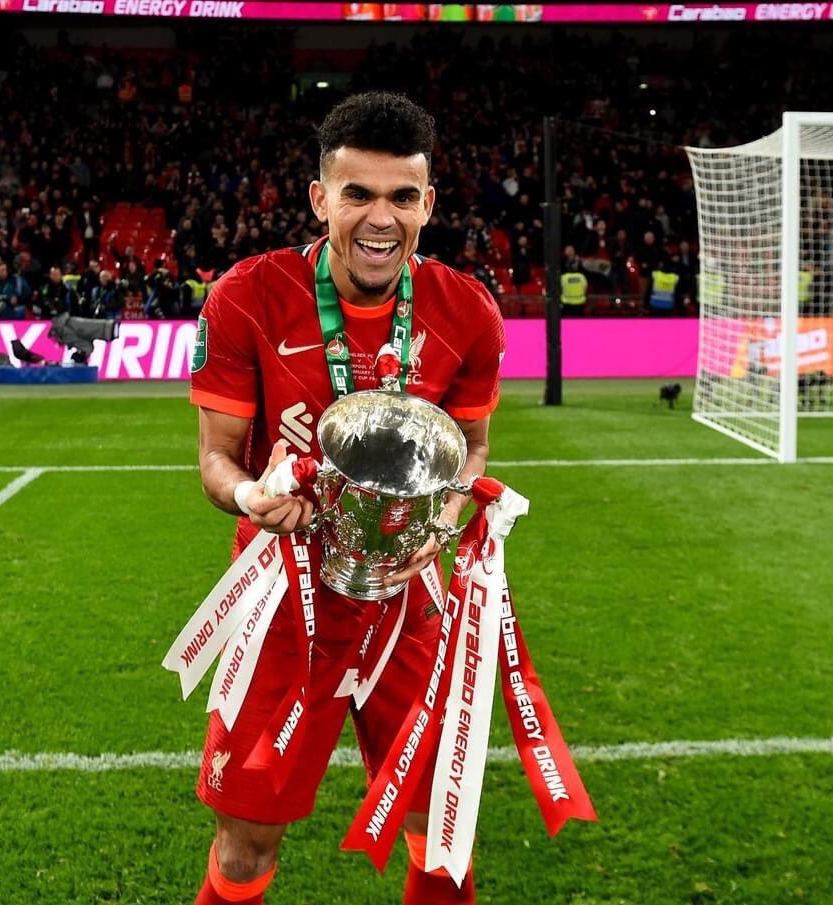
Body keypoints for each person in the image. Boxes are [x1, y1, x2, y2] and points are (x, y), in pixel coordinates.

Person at [188, 91, 504, 905]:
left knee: (444, 829)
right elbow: (217, 459)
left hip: (411, 599)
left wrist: (444, 513)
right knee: (246, 844)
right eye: (358, 192)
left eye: (402, 196)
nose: (380, 217)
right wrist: (251, 491)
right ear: (320, 197)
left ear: (428, 204)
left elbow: (470, 449)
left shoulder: (467, 311)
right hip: (285, 595)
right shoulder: (247, 295)